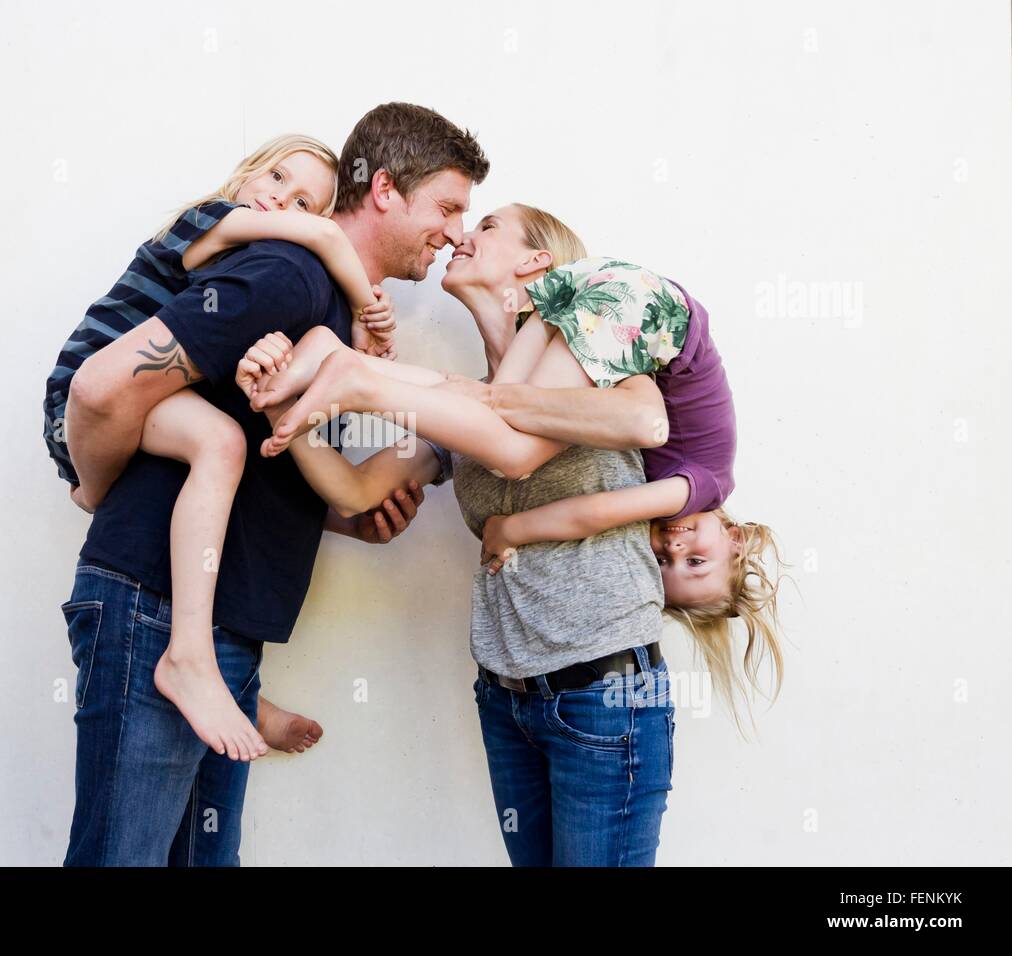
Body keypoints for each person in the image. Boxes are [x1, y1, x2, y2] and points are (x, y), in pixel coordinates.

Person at [241, 203, 784, 864]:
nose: (462, 235)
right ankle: (347, 376)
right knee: (485, 414)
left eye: (487, 227)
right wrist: (281, 409)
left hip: (603, 696)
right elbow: (353, 490)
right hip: (507, 700)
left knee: (505, 437)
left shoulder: (606, 352)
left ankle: (354, 378)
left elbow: (635, 423)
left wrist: (509, 515)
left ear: (537, 264)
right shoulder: (462, 404)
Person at [58, 102, 490, 866]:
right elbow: (96, 391)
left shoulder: (327, 309)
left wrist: (339, 516)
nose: (458, 230)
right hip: (156, 614)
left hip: (221, 633)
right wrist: (93, 486)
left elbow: (261, 450)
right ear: (386, 189)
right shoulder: (286, 275)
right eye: (450, 207)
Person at [42, 134, 397, 761]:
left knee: (228, 437)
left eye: (302, 201)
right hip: (79, 395)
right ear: (247, 172)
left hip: (140, 408)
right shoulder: (207, 219)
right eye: (278, 177)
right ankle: (187, 657)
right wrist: (368, 305)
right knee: (220, 439)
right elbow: (326, 239)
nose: (280, 201)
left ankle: (234, 688)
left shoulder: (256, 257)